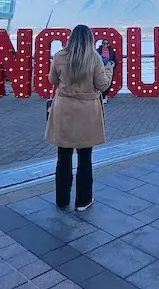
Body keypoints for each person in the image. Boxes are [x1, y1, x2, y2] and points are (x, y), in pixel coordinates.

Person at [45, 25, 114, 211]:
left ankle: (62, 199)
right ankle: (83, 201)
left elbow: (52, 81)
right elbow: (102, 85)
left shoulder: (60, 56)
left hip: (64, 110)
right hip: (87, 112)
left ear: (71, 38)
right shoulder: (94, 58)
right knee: (85, 158)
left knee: (63, 157)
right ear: (90, 39)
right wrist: (109, 70)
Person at [96, 39, 118, 104]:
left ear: (108, 44)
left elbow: (114, 59)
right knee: (103, 82)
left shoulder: (111, 51)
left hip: (109, 68)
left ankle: (105, 95)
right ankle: (103, 96)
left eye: (106, 43)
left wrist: (113, 65)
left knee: (109, 83)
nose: (105, 45)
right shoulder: (98, 51)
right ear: (102, 44)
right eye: (104, 43)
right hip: (101, 68)